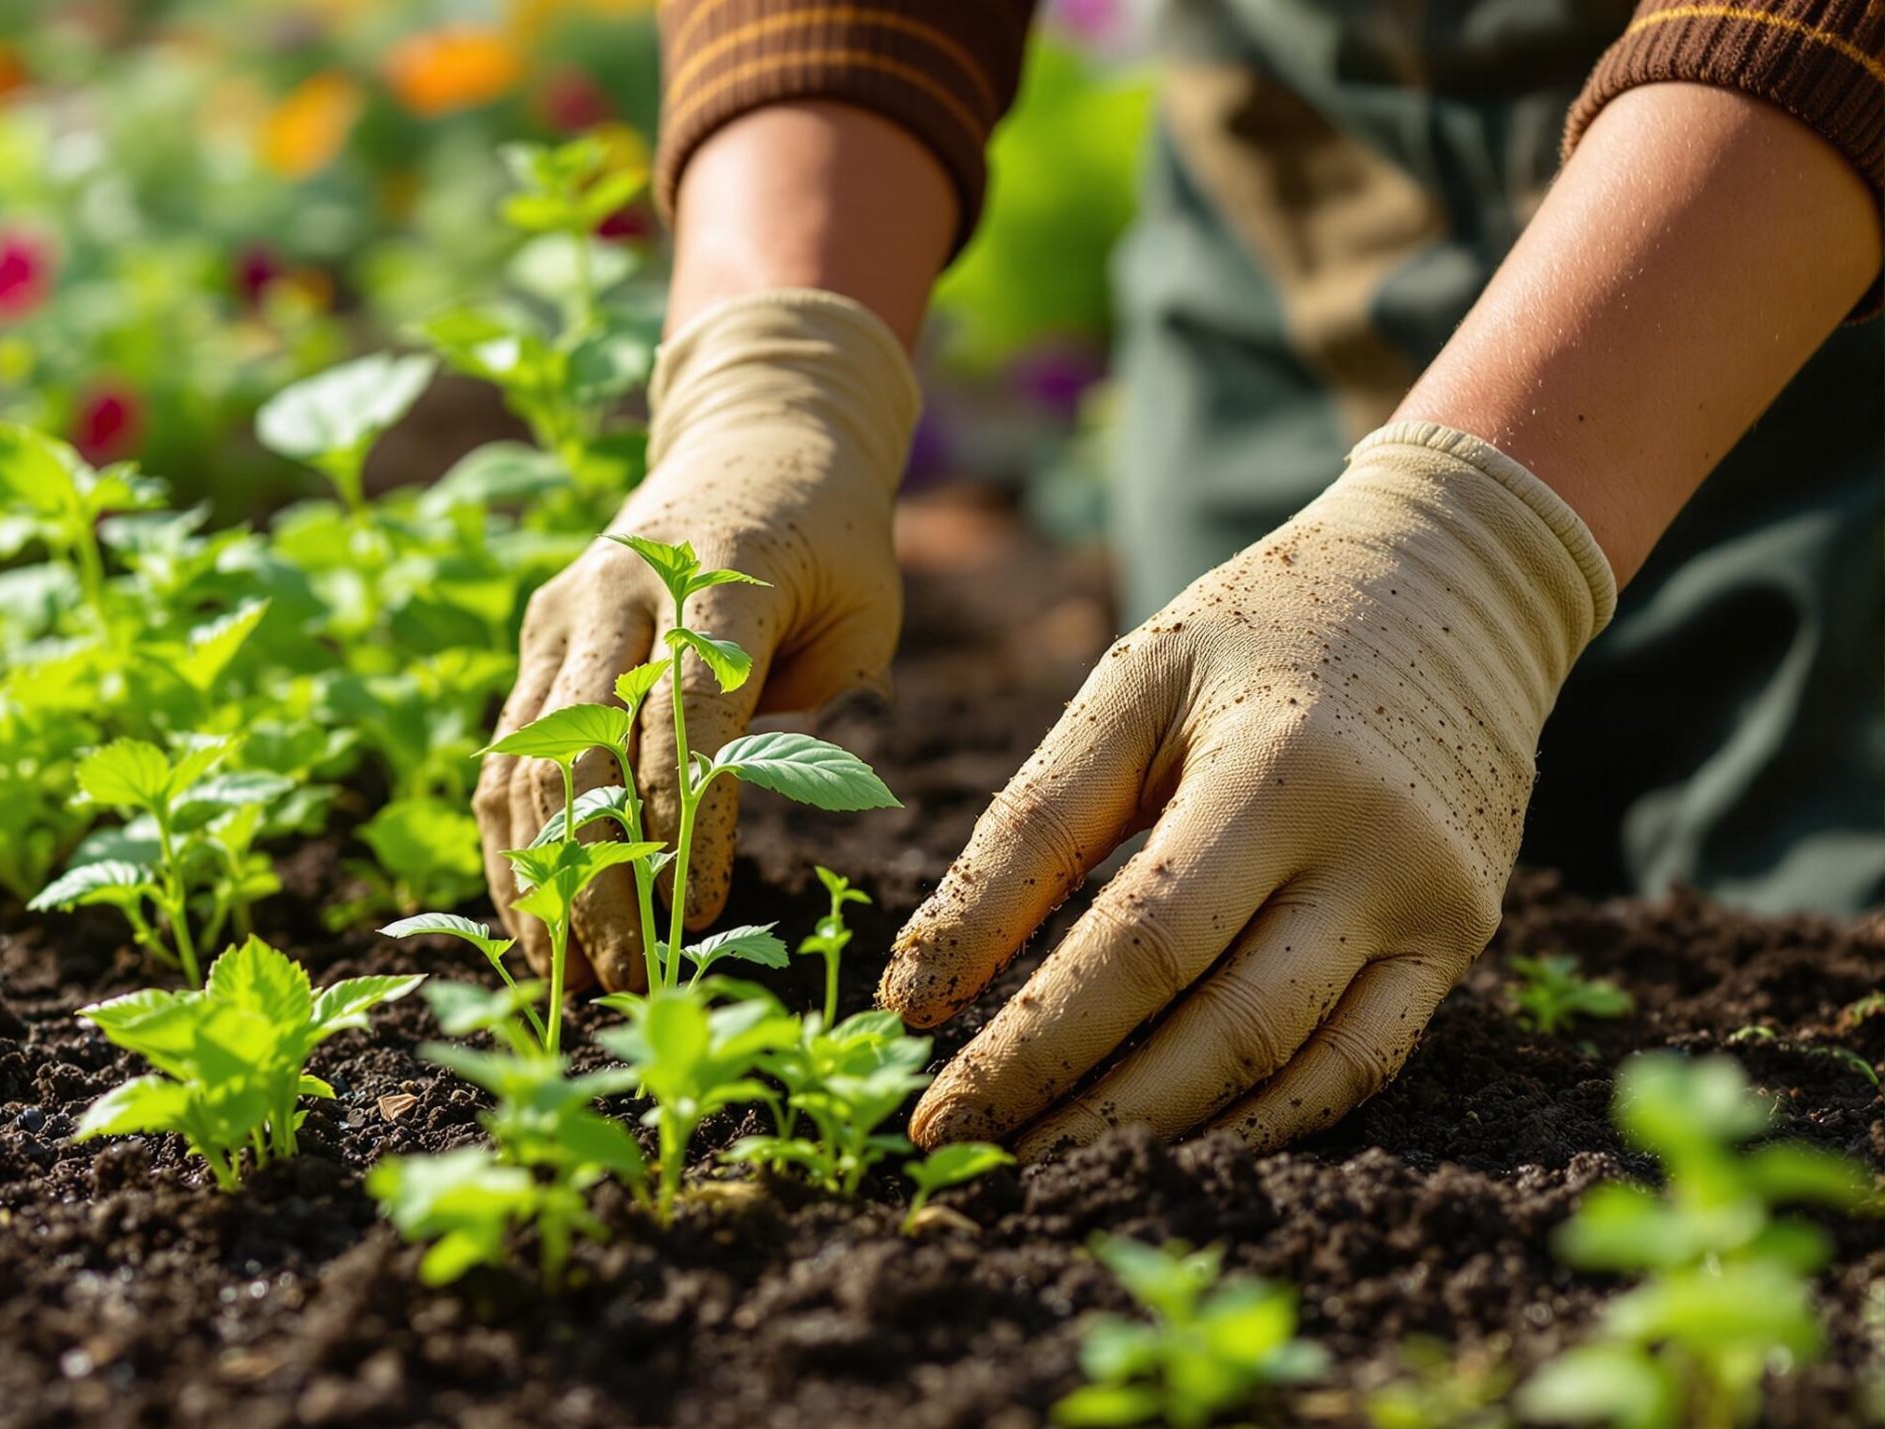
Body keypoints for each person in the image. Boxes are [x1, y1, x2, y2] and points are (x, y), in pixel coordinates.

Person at [473, 0, 1885, 1158]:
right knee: (1232, 898)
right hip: (1308, 220)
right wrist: (778, 367)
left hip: (1832, 344)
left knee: (1809, 1075)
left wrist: (1485, 543)